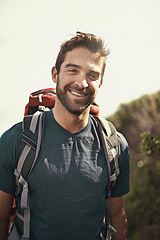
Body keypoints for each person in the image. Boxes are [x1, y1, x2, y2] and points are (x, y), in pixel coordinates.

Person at [0, 31, 130, 240]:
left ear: (100, 82)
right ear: (55, 74)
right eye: (73, 70)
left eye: (92, 75)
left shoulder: (115, 145)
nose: (82, 83)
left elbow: (117, 217)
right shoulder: (16, 141)